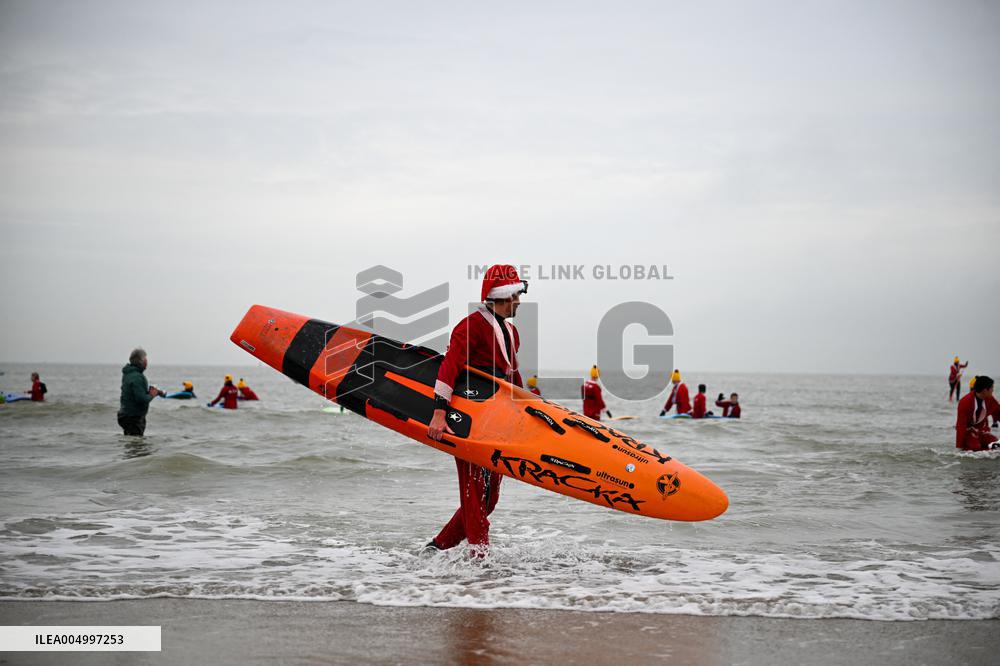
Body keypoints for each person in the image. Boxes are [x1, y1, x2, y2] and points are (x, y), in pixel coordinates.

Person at [425, 264, 528, 556]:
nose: (519, 301)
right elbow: (449, 367)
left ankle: (437, 547)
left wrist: (532, 410)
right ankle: (479, 558)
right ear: (500, 296)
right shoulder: (469, 326)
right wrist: (439, 413)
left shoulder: (511, 331)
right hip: (467, 418)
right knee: (472, 492)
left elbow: (512, 378)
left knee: (490, 497)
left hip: (496, 421)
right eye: (515, 295)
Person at [117, 348, 164, 436]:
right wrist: (151, 395)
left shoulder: (128, 373)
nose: (147, 362)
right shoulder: (138, 377)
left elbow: (135, 393)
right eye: (145, 359)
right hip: (133, 418)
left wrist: (155, 392)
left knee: (131, 445)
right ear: (141, 361)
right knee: (137, 447)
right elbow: (141, 399)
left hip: (124, 415)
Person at [955, 376, 1000, 451]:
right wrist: (959, 447)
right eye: (992, 388)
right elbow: (961, 425)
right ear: (985, 390)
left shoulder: (990, 399)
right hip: (968, 432)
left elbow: (998, 411)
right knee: (975, 447)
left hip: (982, 431)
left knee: (997, 445)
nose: (993, 390)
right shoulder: (964, 402)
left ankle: (985, 452)